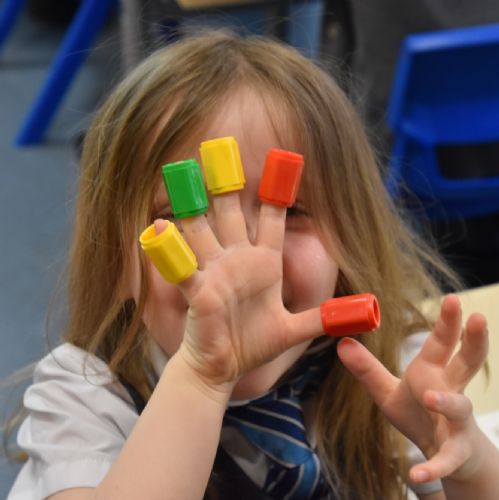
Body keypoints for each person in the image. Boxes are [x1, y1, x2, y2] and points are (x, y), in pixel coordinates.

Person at [6, 30, 499, 500]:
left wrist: (467, 463)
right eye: (182, 215)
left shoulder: (388, 365)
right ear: (116, 262)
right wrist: (201, 376)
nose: (238, 257)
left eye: (291, 210)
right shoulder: (82, 397)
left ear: (351, 244)